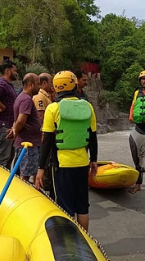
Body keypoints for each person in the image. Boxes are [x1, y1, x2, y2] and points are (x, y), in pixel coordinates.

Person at [34, 71, 98, 231]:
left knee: (64, 206)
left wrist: (40, 169)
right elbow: (93, 137)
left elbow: (47, 142)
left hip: (61, 165)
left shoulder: (53, 108)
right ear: (75, 85)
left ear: (56, 87)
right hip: (82, 163)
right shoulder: (88, 106)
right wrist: (94, 160)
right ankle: (86, 241)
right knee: (82, 205)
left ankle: (71, 245)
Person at [9, 73, 42, 181]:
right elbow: (21, 120)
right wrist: (16, 132)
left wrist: (15, 130)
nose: (40, 87)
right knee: (25, 175)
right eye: (38, 84)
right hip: (27, 145)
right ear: (30, 85)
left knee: (26, 172)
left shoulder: (23, 98)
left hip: (29, 143)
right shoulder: (26, 99)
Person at [0, 61, 18, 169]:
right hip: (4, 126)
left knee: (9, 157)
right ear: (7, 71)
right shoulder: (2, 84)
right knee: (3, 159)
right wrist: (2, 107)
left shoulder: (8, 85)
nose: (16, 73)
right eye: (14, 71)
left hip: (9, 126)